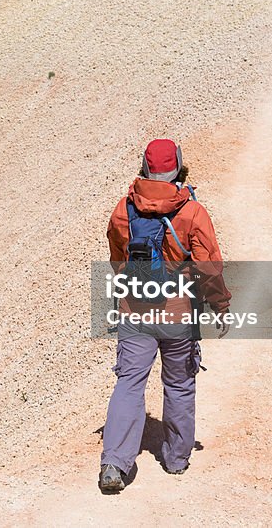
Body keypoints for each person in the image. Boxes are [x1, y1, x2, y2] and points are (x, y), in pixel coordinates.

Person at [99, 139, 231, 492]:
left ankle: (114, 461)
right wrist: (220, 305)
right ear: (179, 167)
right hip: (178, 315)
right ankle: (175, 459)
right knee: (179, 384)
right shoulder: (191, 212)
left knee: (129, 384)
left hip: (134, 312)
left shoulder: (123, 209)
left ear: (144, 166)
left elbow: (116, 258)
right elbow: (209, 267)